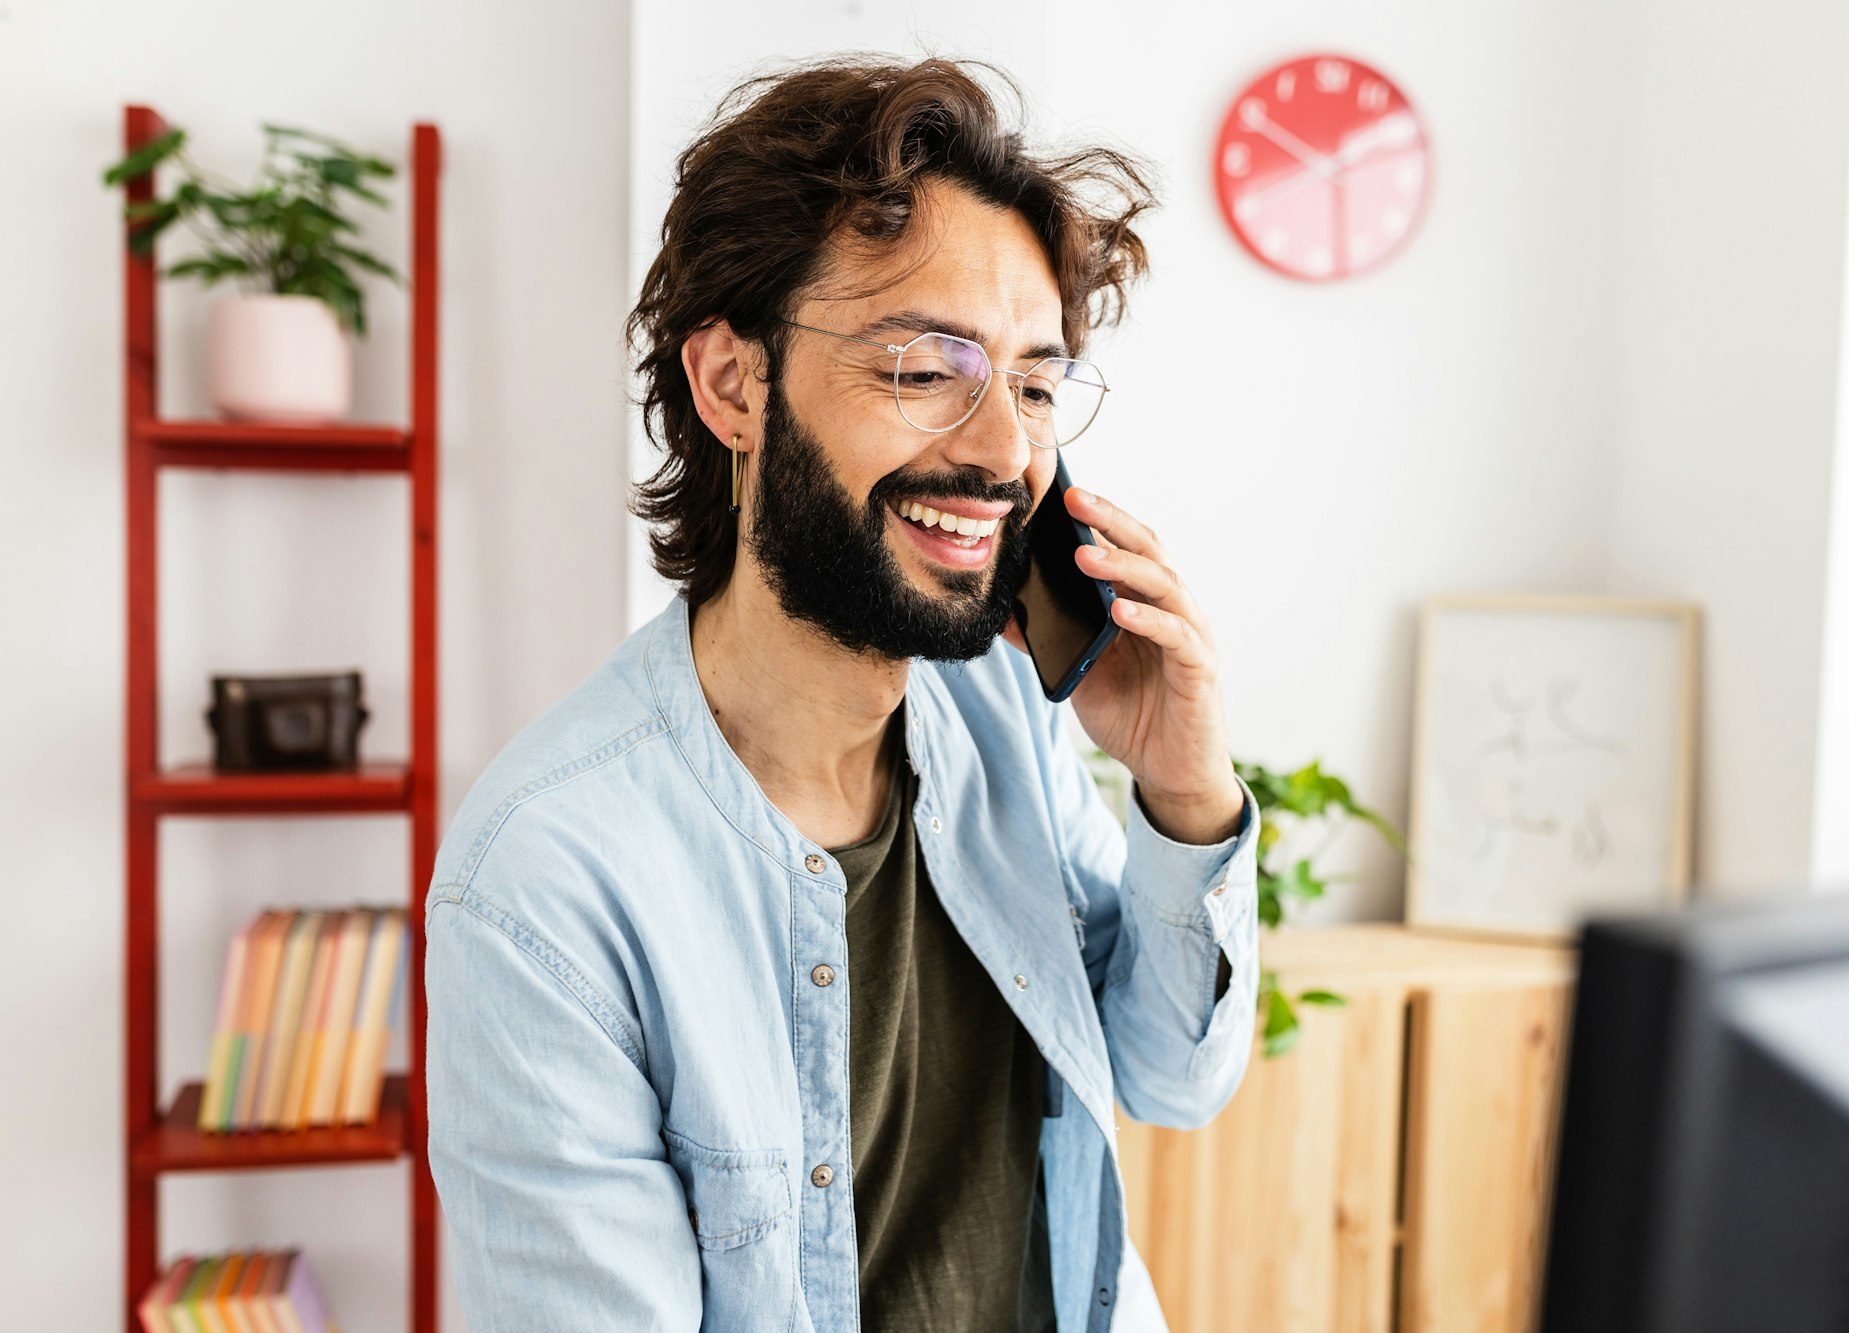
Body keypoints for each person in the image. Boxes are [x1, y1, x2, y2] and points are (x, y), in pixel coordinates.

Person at [424, 53, 1261, 1333]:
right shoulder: (545, 879)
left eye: (1033, 386)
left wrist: (1183, 788)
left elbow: (1171, 1073)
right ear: (731, 385)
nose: (1001, 451)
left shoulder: (1000, 720)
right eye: (925, 369)